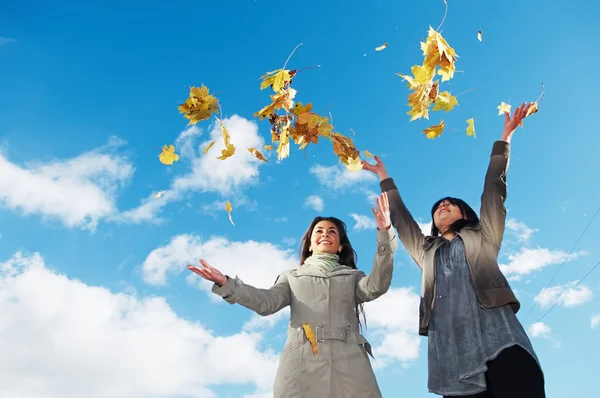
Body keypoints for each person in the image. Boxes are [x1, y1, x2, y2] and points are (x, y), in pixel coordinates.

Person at [362, 102, 546, 398]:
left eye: (450, 204)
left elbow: (493, 189)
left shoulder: (483, 236)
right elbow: (402, 220)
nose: (442, 206)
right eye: (437, 207)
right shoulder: (426, 251)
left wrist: (505, 140)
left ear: (465, 213)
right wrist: (384, 177)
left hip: (500, 342)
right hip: (453, 359)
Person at [187, 193, 398, 398]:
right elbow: (265, 303)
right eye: (319, 231)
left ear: (340, 245)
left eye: (332, 231)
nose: (325, 234)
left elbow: (376, 285)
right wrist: (226, 283)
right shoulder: (292, 277)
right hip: (302, 365)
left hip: (351, 366)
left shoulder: (353, 277)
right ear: (310, 243)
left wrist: (385, 233)